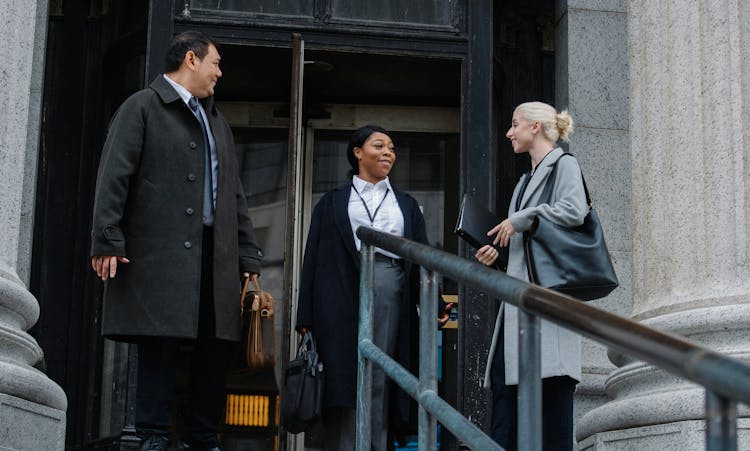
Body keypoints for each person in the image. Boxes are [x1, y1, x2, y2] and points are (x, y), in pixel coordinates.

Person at [89, 31, 263, 451]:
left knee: (214, 344)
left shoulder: (216, 120)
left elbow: (233, 191)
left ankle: (204, 436)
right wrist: (107, 238)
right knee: (159, 341)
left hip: (215, 252)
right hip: (160, 248)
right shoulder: (142, 106)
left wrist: (247, 250)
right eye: (215, 63)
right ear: (191, 59)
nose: (220, 72)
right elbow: (115, 174)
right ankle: (152, 435)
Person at [295, 125, 452, 451]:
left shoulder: (406, 204)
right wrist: (305, 316)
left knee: (381, 375)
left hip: (390, 288)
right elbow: (311, 257)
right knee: (341, 377)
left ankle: (376, 445)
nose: (388, 153)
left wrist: (435, 305)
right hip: (338, 292)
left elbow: (422, 255)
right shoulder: (332, 202)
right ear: (357, 152)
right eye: (379, 145)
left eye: (392, 148)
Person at [475, 102, 586, 451]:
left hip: (548, 304)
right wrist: (498, 256)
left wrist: (521, 219)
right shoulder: (524, 181)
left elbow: (574, 209)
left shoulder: (564, 165)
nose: (509, 132)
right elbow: (525, 247)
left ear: (535, 127)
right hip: (519, 304)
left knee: (551, 402)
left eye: (515, 124)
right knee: (506, 398)